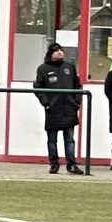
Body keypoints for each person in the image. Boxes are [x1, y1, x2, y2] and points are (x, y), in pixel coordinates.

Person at [34, 42, 84, 175]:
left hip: (69, 108)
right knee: (52, 140)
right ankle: (54, 164)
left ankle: (71, 165)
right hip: (53, 109)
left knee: (69, 140)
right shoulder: (43, 69)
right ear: (51, 53)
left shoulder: (69, 67)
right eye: (57, 51)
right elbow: (38, 88)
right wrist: (46, 103)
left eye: (61, 50)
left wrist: (76, 102)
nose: (60, 52)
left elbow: (77, 85)